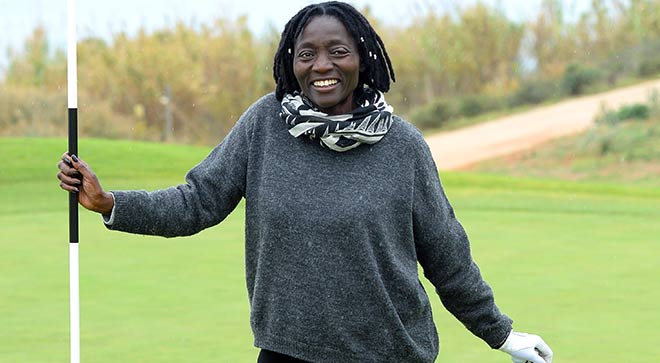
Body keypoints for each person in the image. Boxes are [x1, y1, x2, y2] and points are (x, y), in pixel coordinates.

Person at [57, 2, 554, 363]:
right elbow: (198, 202)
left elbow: (447, 256)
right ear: (290, 63)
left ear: (362, 58)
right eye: (306, 53)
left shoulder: (403, 147)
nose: (321, 65)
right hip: (286, 354)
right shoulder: (264, 126)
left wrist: (502, 335)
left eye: (337, 51)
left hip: (389, 354)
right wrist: (109, 203)